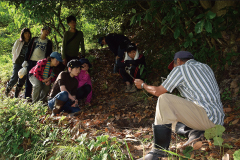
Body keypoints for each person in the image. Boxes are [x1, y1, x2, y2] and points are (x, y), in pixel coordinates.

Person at [134, 51, 225, 159]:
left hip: (207, 118)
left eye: (173, 66)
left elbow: (158, 92)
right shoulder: (205, 67)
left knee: (165, 99)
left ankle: (158, 152)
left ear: (178, 61)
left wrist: (143, 85)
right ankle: (194, 132)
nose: (172, 70)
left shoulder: (181, 69)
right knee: (171, 113)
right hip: (218, 121)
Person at [23, 26, 53, 100]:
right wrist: (26, 60)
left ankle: (38, 97)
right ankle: (27, 96)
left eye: (48, 32)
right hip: (32, 61)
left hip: (41, 64)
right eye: (45, 31)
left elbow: (49, 54)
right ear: (42, 30)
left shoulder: (48, 42)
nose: (46, 33)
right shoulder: (34, 39)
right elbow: (29, 49)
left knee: (40, 79)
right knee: (29, 78)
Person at [5, 28, 31, 98]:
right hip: (17, 62)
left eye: (28, 33)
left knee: (22, 79)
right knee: (15, 78)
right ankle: (6, 92)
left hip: (26, 64)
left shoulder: (31, 43)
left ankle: (16, 96)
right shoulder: (19, 42)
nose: (27, 35)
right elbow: (13, 51)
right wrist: (15, 58)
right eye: (25, 33)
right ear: (23, 34)